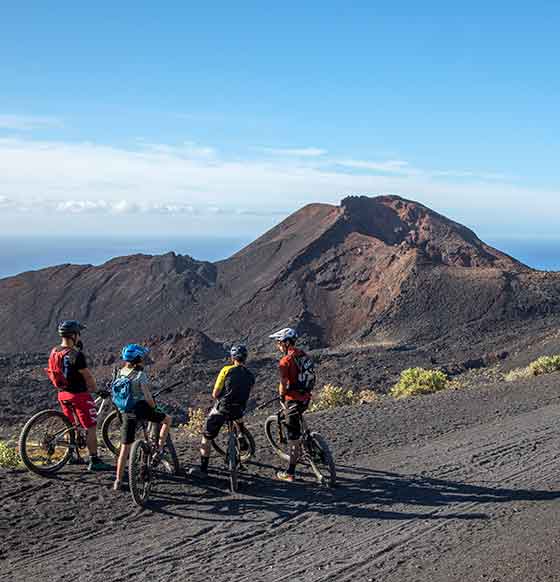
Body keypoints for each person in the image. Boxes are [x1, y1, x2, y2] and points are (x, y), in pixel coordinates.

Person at [46, 320, 111, 471]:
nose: (80, 336)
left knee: (70, 425)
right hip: (78, 395)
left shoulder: (55, 351)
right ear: (73, 335)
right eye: (78, 334)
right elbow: (87, 377)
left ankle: (72, 456)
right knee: (91, 427)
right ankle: (94, 460)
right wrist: (96, 390)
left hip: (63, 394)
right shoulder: (76, 355)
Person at [113, 344, 172, 491]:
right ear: (138, 359)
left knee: (125, 448)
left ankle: (118, 481)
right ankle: (159, 448)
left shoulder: (121, 372)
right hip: (140, 409)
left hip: (125, 411)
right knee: (167, 419)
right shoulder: (140, 375)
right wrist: (154, 408)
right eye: (142, 357)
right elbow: (148, 397)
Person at [192, 345, 254, 476]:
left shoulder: (226, 370)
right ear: (245, 358)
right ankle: (241, 434)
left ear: (232, 358)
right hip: (239, 409)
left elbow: (215, 394)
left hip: (223, 408)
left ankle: (203, 470)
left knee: (206, 437)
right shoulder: (250, 375)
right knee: (238, 414)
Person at [269, 327, 312, 483]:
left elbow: (283, 383)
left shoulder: (285, 361)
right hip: (306, 397)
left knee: (293, 439)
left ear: (286, 343)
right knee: (298, 419)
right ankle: (308, 441)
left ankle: (290, 473)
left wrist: (281, 397)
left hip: (293, 400)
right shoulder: (303, 355)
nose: (278, 346)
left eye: (279, 343)